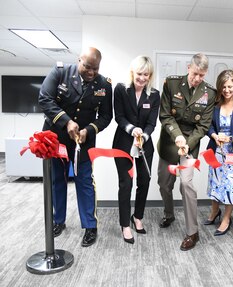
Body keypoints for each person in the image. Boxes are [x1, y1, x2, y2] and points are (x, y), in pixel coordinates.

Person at [39, 46, 113, 247]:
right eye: (88, 67)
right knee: (57, 179)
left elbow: (106, 116)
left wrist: (89, 130)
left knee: (85, 181)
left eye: (95, 69)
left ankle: (90, 226)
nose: (91, 73)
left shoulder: (104, 84)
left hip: (84, 140)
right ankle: (58, 221)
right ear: (79, 60)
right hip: (57, 138)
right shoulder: (60, 73)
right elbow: (44, 99)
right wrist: (66, 121)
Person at [157, 53, 216, 251]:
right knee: (164, 184)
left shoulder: (210, 93)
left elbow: (204, 126)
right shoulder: (172, 84)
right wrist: (177, 137)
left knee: (186, 183)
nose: (197, 78)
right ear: (189, 67)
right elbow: (165, 115)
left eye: (202, 75)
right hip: (169, 140)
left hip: (190, 143)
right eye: (195, 73)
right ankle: (169, 213)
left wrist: (187, 144)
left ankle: (193, 232)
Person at [112, 55, 160, 244]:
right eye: (139, 74)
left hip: (144, 143)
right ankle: (125, 224)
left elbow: (152, 122)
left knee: (145, 181)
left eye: (146, 75)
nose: (142, 78)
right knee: (126, 183)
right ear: (133, 72)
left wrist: (144, 136)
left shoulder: (154, 94)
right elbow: (120, 117)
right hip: (124, 141)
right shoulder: (121, 89)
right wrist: (133, 130)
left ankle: (137, 216)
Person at [205, 70, 233, 236]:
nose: (226, 90)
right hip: (217, 151)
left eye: (230, 86)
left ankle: (226, 218)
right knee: (216, 184)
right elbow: (208, 125)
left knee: (232, 186)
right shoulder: (215, 103)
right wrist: (214, 135)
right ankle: (214, 211)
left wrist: (230, 138)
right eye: (223, 87)